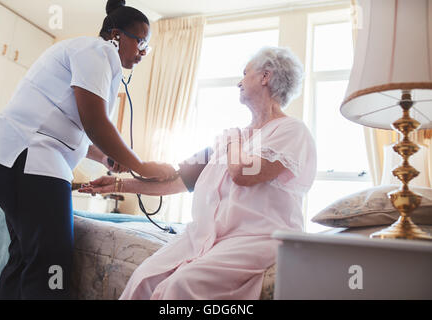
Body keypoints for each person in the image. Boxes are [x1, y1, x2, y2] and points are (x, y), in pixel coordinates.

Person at [80, 46, 317, 299]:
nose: (239, 82)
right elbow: (177, 180)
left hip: (256, 239)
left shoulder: (291, 131)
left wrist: (232, 143)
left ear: (265, 77)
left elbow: (243, 174)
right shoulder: (231, 137)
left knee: (180, 286)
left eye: (245, 73)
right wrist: (117, 185)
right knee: (144, 278)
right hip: (209, 236)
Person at [0, 0, 176, 300]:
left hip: (9, 156)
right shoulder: (98, 52)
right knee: (51, 262)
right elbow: (94, 124)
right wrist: (143, 165)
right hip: (29, 159)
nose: (142, 52)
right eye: (141, 42)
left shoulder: (89, 55)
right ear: (115, 35)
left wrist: (105, 157)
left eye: (146, 47)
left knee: (25, 255)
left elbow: (68, 127)